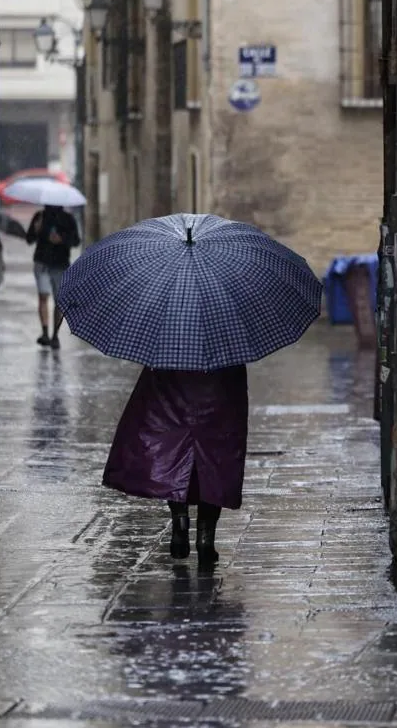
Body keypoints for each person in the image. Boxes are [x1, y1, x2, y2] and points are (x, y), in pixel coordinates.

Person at [103, 366, 250, 568]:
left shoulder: (166, 345)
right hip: (220, 388)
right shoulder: (229, 344)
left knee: (174, 451)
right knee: (215, 461)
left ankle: (180, 520)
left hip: (172, 387)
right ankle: (205, 538)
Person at [26, 204, 81, 349]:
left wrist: (61, 239)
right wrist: (35, 230)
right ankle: (45, 332)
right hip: (42, 262)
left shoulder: (68, 219)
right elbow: (29, 239)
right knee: (43, 295)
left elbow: (76, 241)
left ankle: (55, 335)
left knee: (59, 301)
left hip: (60, 263)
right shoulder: (40, 217)